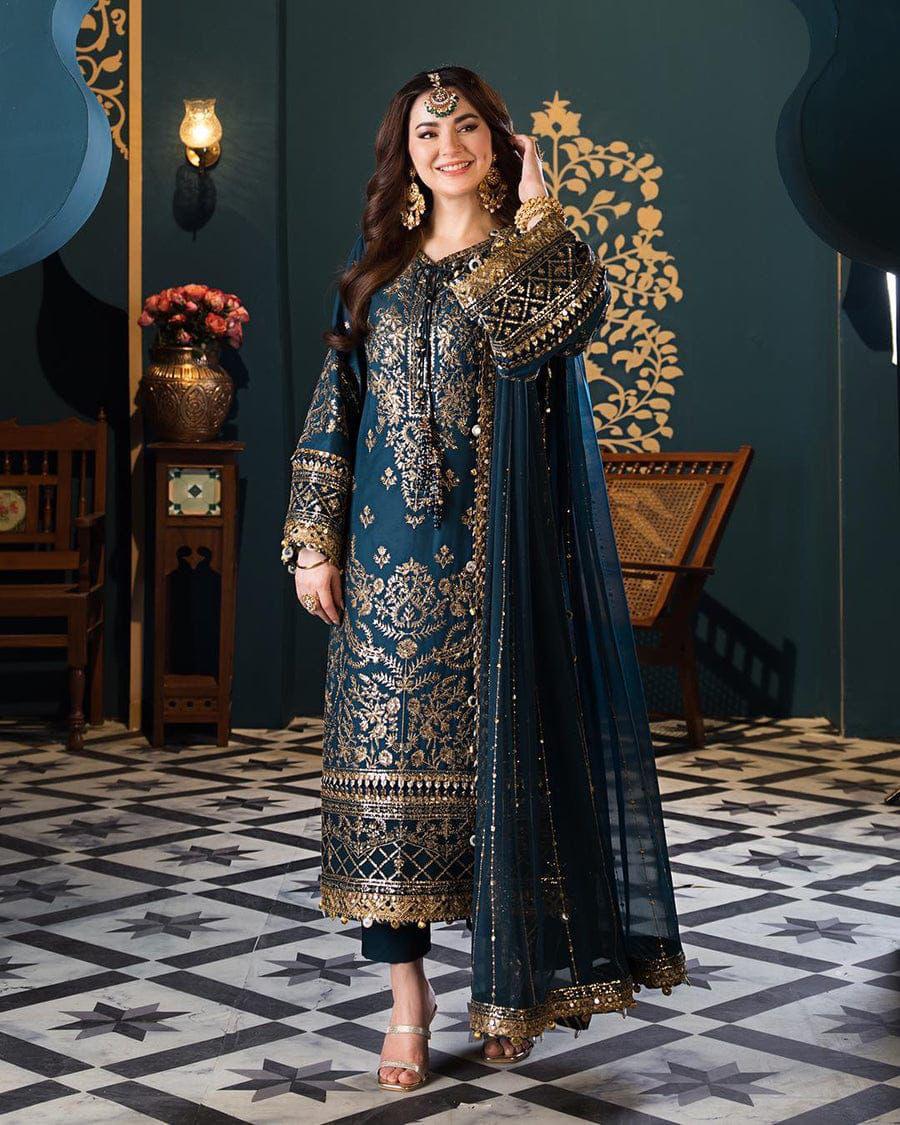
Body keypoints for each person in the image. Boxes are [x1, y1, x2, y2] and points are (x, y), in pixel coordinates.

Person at [281, 65, 688, 1094]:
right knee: (387, 810)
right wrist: (312, 543)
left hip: (499, 580)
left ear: (499, 144)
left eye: (466, 125)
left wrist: (543, 209)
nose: (446, 143)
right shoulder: (373, 271)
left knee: (513, 788)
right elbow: (337, 414)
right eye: (426, 130)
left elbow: (570, 314)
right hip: (382, 585)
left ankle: (511, 992)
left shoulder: (528, 261)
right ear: (404, 153)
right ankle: (406, 1005)